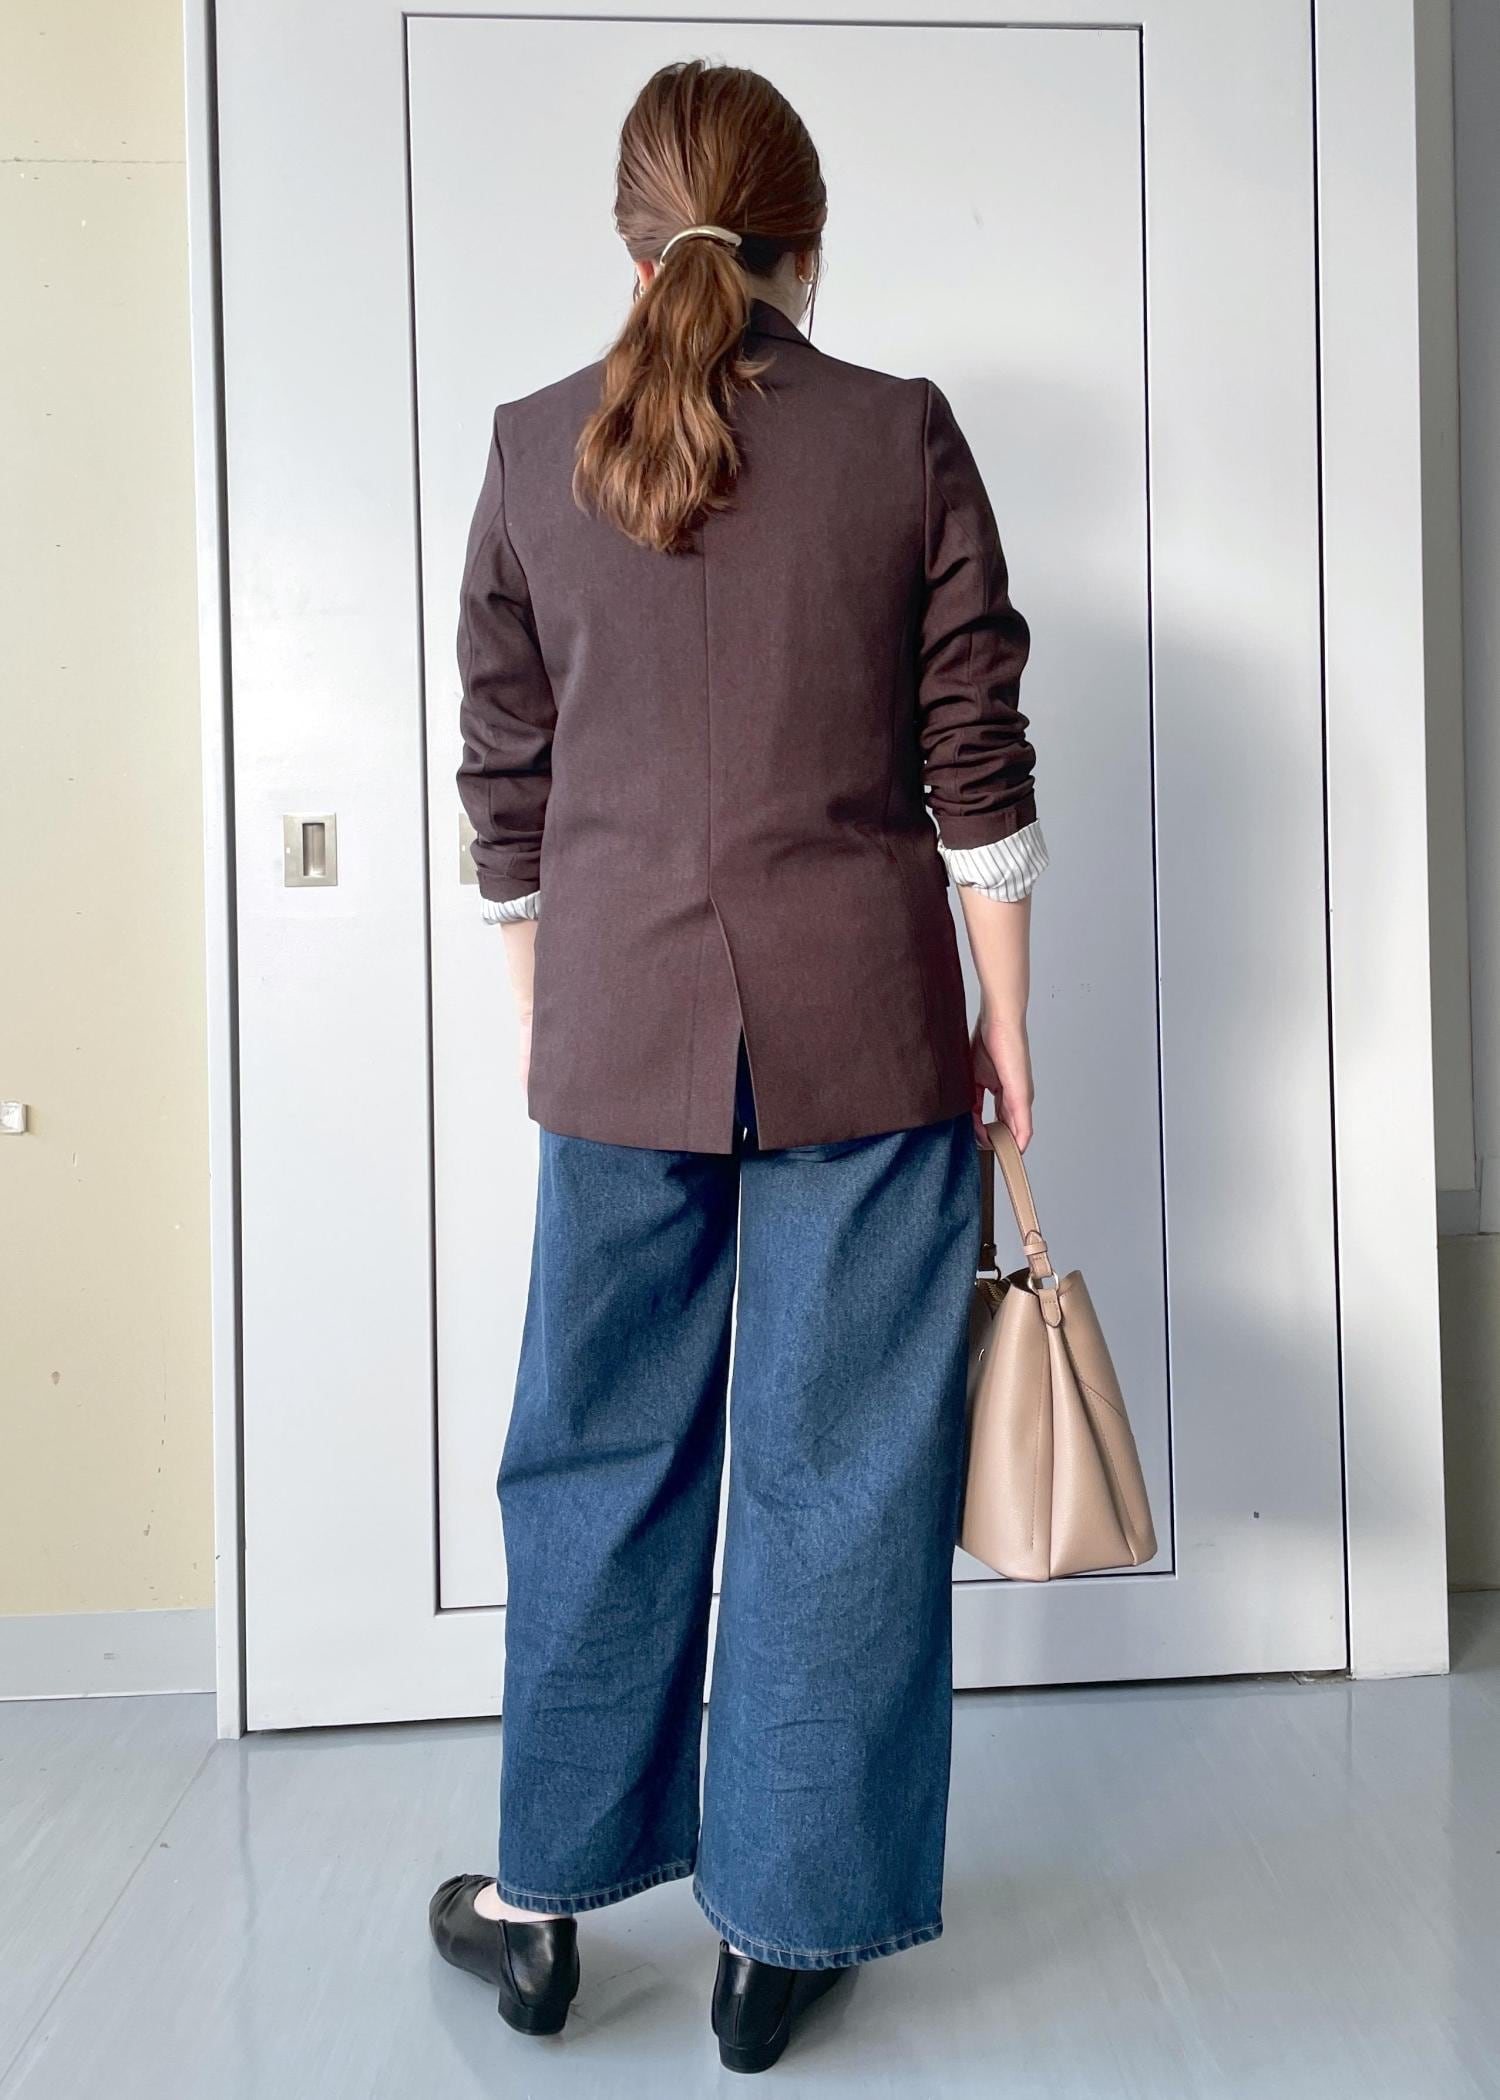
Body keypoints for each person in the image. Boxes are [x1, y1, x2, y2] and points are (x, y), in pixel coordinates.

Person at [428, 57, 1047, 2075]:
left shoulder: (531, 449)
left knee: (593, 1461)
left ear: (631, 245)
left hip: (614, 1040)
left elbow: (506, 795)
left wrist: (560, 1028)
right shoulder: (898, 433)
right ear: (810, 241)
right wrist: (1005, 1032)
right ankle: (781, 1937)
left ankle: (542, 1905)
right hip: (867, 1036)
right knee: (837, 1479)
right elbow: (976, 766)